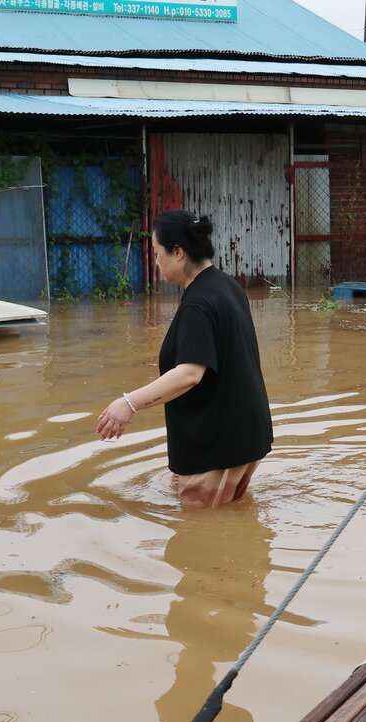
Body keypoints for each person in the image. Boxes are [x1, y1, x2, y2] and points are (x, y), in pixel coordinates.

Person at [96, 210, 273, 508]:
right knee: (229, 519)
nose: (156, 261)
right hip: (244, 437)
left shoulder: (197, 304)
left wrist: (128, 403)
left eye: (157, 254)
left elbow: (190, 373)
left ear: (178, 252)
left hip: (217, 448)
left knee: (201, 531)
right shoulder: (226, 285)